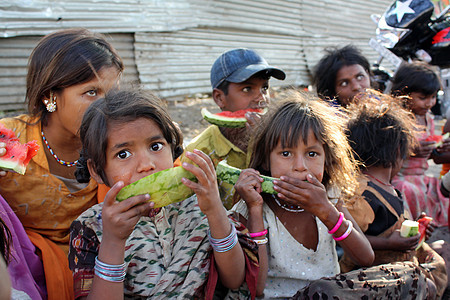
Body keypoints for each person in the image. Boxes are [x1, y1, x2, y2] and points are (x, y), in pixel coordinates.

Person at [69, 89, 258, 299]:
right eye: (123, 154)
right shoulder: (90, 227)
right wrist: (113, 241)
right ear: (97, 170)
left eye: (156, 146)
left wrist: (215, 211)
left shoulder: (199, 204)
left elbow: (234, 279)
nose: (147, 165)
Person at [0, 28, 124, 298]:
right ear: (50, 97)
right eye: (91, 92)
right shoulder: (8, 141)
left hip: (100, 258)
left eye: (112, 93)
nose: (108, 107)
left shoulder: (120, 142)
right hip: (21, 269)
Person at [232, 89, 377, 298]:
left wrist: (326, 211)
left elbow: (366, 257)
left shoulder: (329, 198)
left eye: (311, 154)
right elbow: (258, 287)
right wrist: (255, 211)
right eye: (285, 153)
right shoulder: (252, 206)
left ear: (326, 160)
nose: (300, 166)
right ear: (266, 160)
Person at [344, 89, 447, 299]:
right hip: (372, 281)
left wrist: (417, 224)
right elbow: (346, 239)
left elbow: (392, 223)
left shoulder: (389, 187)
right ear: (398, 151)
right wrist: (389, 243)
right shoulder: (361, 194)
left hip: (397, 271)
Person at [180, 48, 285, 209]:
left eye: (264, 88)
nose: (261, 98)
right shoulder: (199, 153)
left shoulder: (282, 137)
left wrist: (266, 143)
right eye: (247, 89)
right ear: (219, 98)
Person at [390, 61, 450, 228]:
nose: (429, 103)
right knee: (409, 191)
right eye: (422, 98)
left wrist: (438, 148)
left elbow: (432, 155)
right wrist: (408, 149)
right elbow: (386, 154)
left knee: (438, 191)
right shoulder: (398, 119)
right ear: (403, 94)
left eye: (432, 97)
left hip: (421, 177)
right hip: (400, 177)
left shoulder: (428, 118)